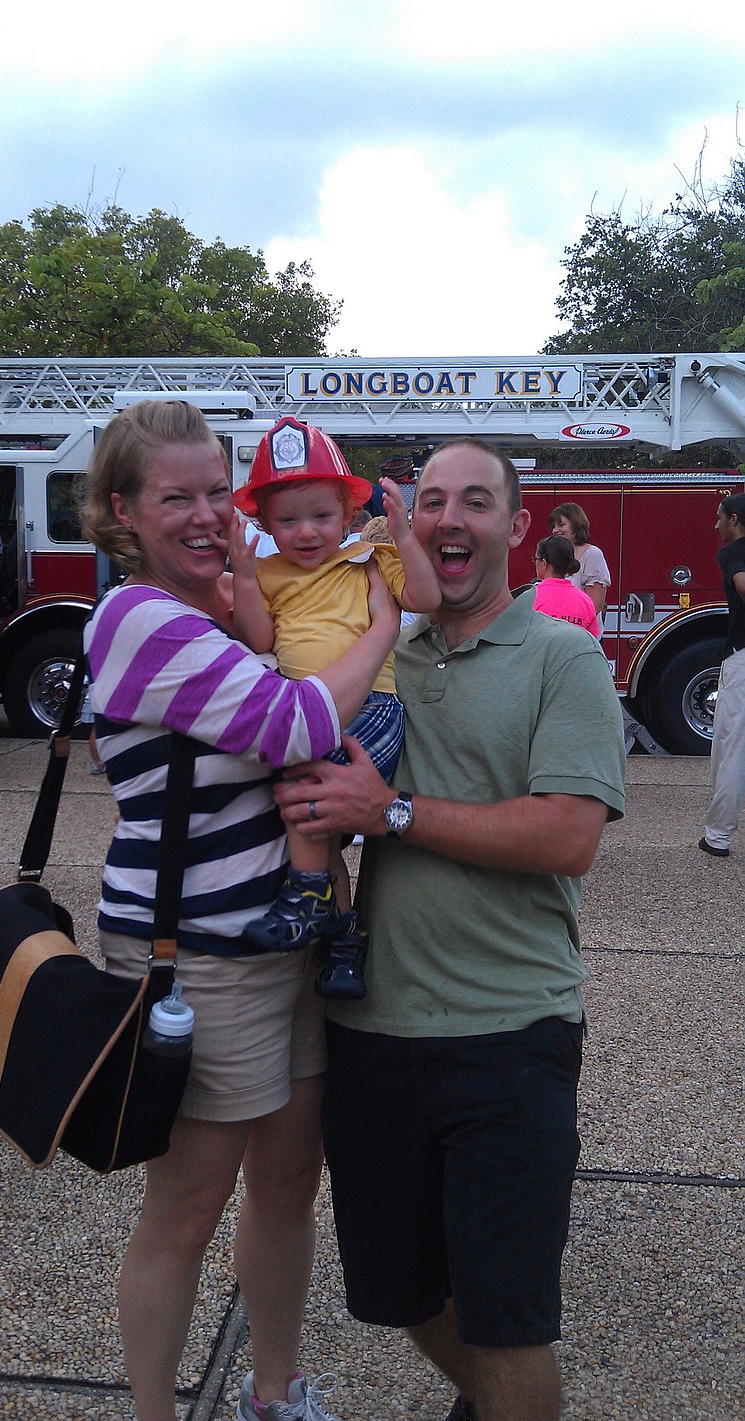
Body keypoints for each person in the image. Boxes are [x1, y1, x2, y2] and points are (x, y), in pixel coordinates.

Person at [275, 438, 626, 1421]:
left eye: (476, 501)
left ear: (518, 527)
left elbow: (566, 832)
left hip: (509, 1034)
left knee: (507, 1320)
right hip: (373, 1035)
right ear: (404, 523)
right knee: (401, 1296)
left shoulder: (564, 658)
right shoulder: (380, 651)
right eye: (430, 501)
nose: (449, 519)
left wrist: (389, 809)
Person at [77, 398, 400, 1421]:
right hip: (197, 954)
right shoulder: (137, 617)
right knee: (186, 1206)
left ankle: (273, 1388)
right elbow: (297, 718)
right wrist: (386, 623)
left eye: (219, 490)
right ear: (122, 508)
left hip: (285, 936)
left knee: (290, 1181)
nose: (208, 513)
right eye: (178, 495)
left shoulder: (222, 606)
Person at [229, 415, 440, 1000]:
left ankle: (304, 898)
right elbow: (260, 639)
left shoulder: (372, 557)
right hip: (307, 711)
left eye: (321, 516)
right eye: (287, 520)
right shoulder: (268, 572)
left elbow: (424, 597)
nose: (305, 532)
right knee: (316, 822)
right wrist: (245, 577)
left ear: (349, 514)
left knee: (303, 795)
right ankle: (344, 946)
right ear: (264, 522)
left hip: (371, 708)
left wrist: (402, 534)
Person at [699, 492, 745, 857]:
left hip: (742, 657)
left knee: (731, 746)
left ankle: (718, 837)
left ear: (735, 520)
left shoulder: (732, 554)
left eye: (720, 518)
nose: (716, 525)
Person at [547, 502, 610, 638]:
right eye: (553, 526)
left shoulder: (592, 554)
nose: (555, 530)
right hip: (556, 636)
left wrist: (572, 633)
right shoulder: (556, 555)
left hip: (583, 637)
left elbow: (595, 605)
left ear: (576, 524)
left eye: (561, 525)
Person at [532, 535, 599, 636]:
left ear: (544, 563)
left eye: (535, 559)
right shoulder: (585, 601)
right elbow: (592, 640)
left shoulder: (531, 597)